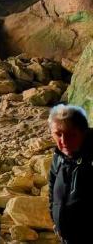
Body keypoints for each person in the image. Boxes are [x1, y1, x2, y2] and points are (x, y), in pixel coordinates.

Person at [48, 104, 93, 243]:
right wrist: (55, 220)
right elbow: (51, 189)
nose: (64, 142)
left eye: (71, 134)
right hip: (66, 236)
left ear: (83, 132)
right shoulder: (59, 157)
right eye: (58, 134)